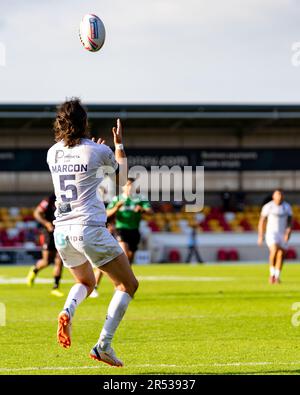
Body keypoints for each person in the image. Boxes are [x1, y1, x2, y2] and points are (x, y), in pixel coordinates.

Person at [47, 98, 138, 367]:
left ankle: (68, 309)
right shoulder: (96, 152)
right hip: (88, 228)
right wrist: (118, 145)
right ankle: (103, 345)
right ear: (84, 123)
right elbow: (122, 181)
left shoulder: (52, 152)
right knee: (128, 285)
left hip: (61, 230)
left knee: (86, 282)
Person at [106, 178, 152, 264]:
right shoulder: (117, 199)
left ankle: (126, 275)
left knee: (130, 257)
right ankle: (122, 275)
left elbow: (150, 211)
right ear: (123, 187)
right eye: (127, 185)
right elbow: (106, 214)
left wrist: (142, 209)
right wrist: (116, 207)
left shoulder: (140, 199)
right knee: (125, 255)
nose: (129, 187)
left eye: (131, 185)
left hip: (134, 229)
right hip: (121, 229)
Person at [26, 193, 64, 297]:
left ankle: (55, 287)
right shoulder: (50, 199)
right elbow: (37, 213)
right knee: (47, 261)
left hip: (62, 231)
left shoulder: (67, 198)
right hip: (49, 233)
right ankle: (35, 269)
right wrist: (46, 223)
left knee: (59, 259)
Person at [258, 189, 293, 284]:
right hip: (271, 233)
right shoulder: (268, 206)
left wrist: (288, 232)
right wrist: (261, 235)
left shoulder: (287, 207)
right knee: (274, 250)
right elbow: (262, 221)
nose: (279, 197)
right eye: (277, 195)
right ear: (273, 196)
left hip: (282, 234)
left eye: (281, 195)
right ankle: (271, 274)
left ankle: (277, 276)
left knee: (281, 254)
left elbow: (290, 221)